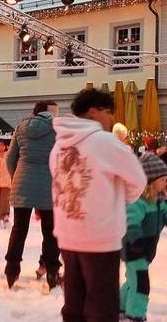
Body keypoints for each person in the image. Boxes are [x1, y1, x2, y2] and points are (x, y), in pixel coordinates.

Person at [50, 88, 146, 322]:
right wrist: (114, 201)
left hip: (67, 233)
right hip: (100, 236)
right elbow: (138, 181)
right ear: (93, 112)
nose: (111, 118)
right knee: (102, 305)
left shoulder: (58, 145)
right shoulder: (105, 141)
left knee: (74, 302)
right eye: (108, 112)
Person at [4, 100, 62, 290]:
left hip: (22, 181)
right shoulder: (57, 129)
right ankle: (52, 272)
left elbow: (10, 157)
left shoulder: (21, 126)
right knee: (50, 231)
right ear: (50, 113)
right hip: (48, 184)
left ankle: (11, 270)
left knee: (19, 229)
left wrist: (17, 178)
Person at [119, 153, 167, 322]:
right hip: (134, 250)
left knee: (133, 280)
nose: (165, 182)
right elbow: (131, 221)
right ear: (150, 181)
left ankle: (120, 306)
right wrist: (136, 239)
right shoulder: (138, 201)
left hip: (146, 252)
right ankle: (136, 315)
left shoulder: (159, 200)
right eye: (162, 179)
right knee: (141, 284)